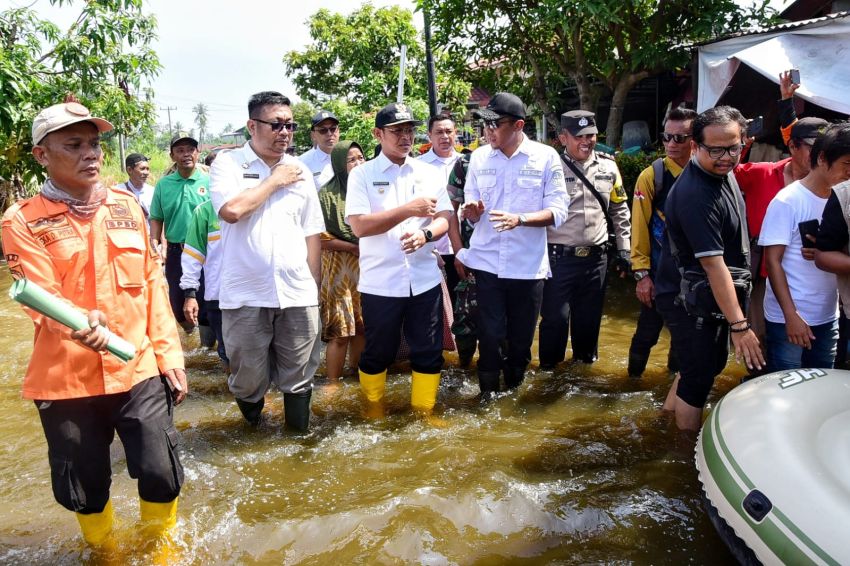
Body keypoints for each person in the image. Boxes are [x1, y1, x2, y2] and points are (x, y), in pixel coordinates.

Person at [1, 99, 187, 546]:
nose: (91, 154)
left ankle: (161, 551)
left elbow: (151, 284)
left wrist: (170, 354)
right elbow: (39, 298)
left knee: (162, 471)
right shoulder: (21, 220)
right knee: (84, 487)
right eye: (74, 145)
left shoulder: (126, 206)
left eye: (95, 144)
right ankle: (106, 553)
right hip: (67, 378)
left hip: (137, 365)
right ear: (42, 155)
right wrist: (83, 323)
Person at [210, 91, 324, 431]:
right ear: (252, 125)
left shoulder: (300, 170)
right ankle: (252, 429)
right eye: (276, 124)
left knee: (300, 376)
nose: (284, 133)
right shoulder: (228, 165)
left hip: (297, 293)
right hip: (246, 293)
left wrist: (313, 288)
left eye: (290, 125)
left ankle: (296, 449)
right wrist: (274, 181)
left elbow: (312, 232)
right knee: (247, 378)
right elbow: (232, 211)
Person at [654, 105, 765, 431]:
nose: (727, 157)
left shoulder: (722, 171)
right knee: (700, 376)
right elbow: (714, 267)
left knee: (698, 367)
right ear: (695, 147)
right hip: (688, 298)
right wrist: (740, 326)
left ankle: (665, 421)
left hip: (705, 295)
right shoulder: (695, 196)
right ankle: (682, 450)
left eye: (734, 147)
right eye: (715, 150)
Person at [456, 92, 568, 395]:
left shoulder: (545, 157)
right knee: (490, 335)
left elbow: (559, 210)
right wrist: (470, 212)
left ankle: (515, 393)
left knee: (519, 340)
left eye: (496, 125)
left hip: (527, 266)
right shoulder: (478, 158)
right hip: (487, 261)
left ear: (519, 125)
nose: (488, 132)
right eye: (485, 125)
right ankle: (487, 398)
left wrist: (521, 219)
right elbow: (469, 205)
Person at [345, 102, 453, 415]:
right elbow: (360, 226)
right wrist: (408, 210)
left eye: (409, 130)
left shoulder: (427, 172)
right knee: (378, 351)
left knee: (429, 351)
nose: (405, 136)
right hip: (381, 283)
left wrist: (427, 234)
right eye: (397, 131)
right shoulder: (362, 175)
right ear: (378, 134)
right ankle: (374, 408)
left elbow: (445, 216)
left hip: (423, 279)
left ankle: (424, 412)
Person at [735, 71, 829, 360]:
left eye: (825, 149)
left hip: (811, 274)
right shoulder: (763, 172)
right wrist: (742, 146)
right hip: (762, 268)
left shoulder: (832, 185)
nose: (819, 156)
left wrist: (787, 100)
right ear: (793, 148)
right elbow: (726, 174)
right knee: (759, 335)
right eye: (814, 149)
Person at [538, 110, 630, 367]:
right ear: (563, 137)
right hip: (558, 259)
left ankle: (583, 377)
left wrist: (624, 250)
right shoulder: (551, 168)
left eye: (590, 135)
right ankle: (548, 375)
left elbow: (620, 210)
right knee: (555, 320)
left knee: (588, 324)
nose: (586, 141)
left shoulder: (609, 166)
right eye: (579, 136)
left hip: (595, 261)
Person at [760, 124, 850, 370]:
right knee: (786, 388)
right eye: (847, 166)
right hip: (789, 316)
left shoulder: (843, 201)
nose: (849, 175)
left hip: (828, 315)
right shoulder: (788, 201)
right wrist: (791, 316)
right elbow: (772, 262)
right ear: (822, 158)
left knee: (821, 391)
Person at [627, 107, 696, 377]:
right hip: (658, 274)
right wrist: (642, 275)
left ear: (695, 140)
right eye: (666, 137)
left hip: (693, 276)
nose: (671, 144)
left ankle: (674, 386)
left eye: (679, 138)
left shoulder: (705, 173)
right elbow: (639, 230)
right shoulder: (652, 176)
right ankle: (632, 381)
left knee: (684, 339)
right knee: (646, 332)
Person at [149, 133, 210, 332]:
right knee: (176, 304)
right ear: (172, 155)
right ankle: (189, 334)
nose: (186, 154)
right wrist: (155, 243)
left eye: (190, 150)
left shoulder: (209, 182)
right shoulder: (164, 185)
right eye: (180, 150)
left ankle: (208, 344)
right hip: (177, 252)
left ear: (198, 153)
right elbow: (157, 218)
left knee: (207, 301)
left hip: (206, 252)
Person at [318, 140, 367, 382]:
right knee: (340, 331)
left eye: (361, 158)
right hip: (339, 269)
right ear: (339, 164)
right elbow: (320, 238)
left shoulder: (370, 188)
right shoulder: (326, 195)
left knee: (362, 325)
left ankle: (356, 374)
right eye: (351, 160)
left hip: (367, 266)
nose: (358, 163)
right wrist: (353, 246)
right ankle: (332, 383)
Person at [180, 199, 229, 373]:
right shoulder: (205, 211)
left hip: (258, 297)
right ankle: (236, 394)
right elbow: (192, 255)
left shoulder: (261, 201)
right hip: (219, 297)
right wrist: (190, 294)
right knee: (228, 354)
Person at [418, 115, 462, 304]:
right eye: (438, 132)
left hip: (464, 246)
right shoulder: (418, 166)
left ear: (456, 133)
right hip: (432, 247)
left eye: (448, 131)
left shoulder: (468, 163)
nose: (444, 137)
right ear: (429, 135)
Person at [300, 110, 340, 190]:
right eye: (323, 130)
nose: (329, 134)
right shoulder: (303, 163)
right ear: (313, 135)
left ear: (338, 131)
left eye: (333, 129)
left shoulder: (350, 156)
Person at [122, 152, 154, 218]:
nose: (146, 173)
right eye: (142, 169)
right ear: (129, 170)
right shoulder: (119, 192)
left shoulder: (153, 192)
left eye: (147, 169)